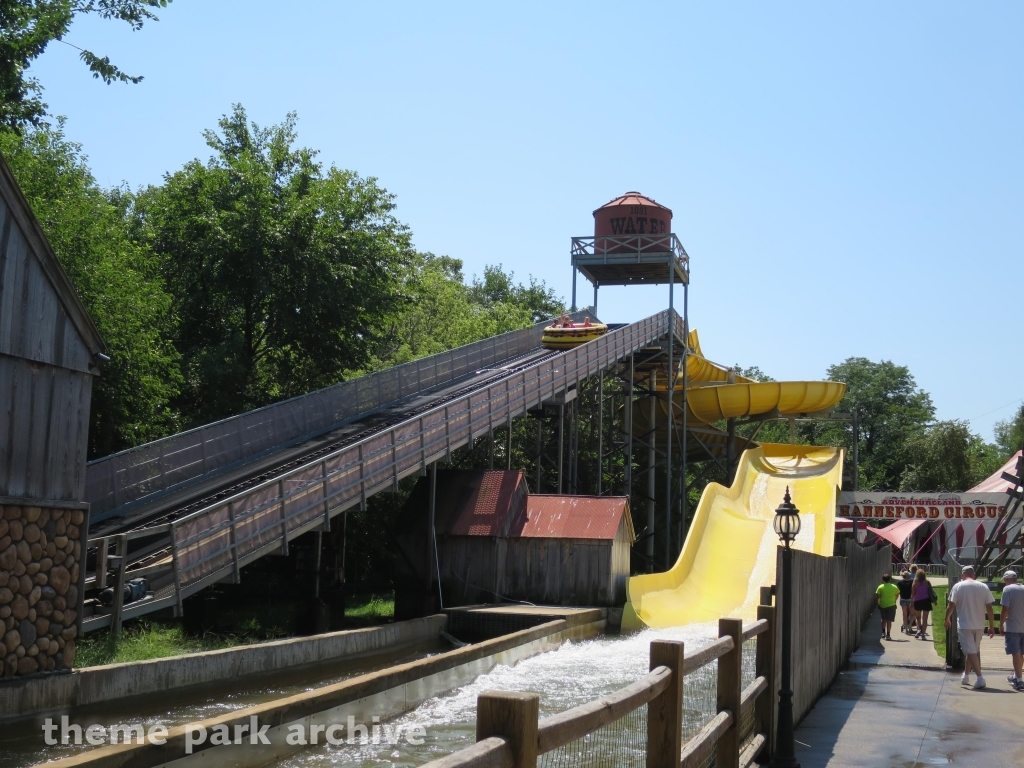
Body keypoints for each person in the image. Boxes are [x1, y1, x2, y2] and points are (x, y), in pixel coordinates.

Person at [945, 565, 996, 689]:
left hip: (964, 623)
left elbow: (951, 605)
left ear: (963, 575)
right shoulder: (983, 586)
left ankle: (980, 677)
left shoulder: (958, 586)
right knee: (972, 650)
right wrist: (991, 625)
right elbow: (989, 608)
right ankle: (966, 675)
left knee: (970, 651)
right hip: (979, 624)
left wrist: (946, 618)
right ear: (973, 574)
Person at [998, 569, 1024, 691]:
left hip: (1013, 626)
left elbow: (1005, 609)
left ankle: (1019, 680)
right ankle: (1015, 675)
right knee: (1021, 653)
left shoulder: (1007, 590)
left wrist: (1001, 624)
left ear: (1007, 579)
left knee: (1015, 653)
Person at [911, 569, 936, 640]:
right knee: (925, 619)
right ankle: (923, 634)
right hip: (926, 601)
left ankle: (918, 630)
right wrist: (934, 601)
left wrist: (911, 602)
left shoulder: (915, 582)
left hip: (917, 601)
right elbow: (931, 591)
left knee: (918, 617)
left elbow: (913, 594)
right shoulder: (927, 582)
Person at [876, 572, 900, 641]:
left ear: (883, 580)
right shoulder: (894, 587)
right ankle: (888, 634)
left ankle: (883, 632)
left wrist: (878, 604)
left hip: (883, 605)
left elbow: (877, 596)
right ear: (890, 579)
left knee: (883, 619)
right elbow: (898, 593)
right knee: (889, 620)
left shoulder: (880, 587)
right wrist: (895, 599)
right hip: (891, 605)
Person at [897, 569, 915, 634]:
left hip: (902, 599)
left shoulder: (899, 582)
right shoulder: (912, 582)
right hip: (910, 599)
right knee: (913, 614)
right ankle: (909, 624)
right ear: (908, 576)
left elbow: (898, 591)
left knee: (904, 614)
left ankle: (906, 629)